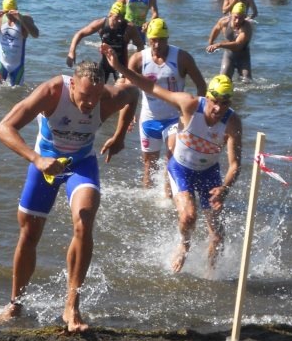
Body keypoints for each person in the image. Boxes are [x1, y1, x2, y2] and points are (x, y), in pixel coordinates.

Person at [0, 60, 138, 332]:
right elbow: (3, 128)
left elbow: (134, 95)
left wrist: (120, 136)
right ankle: (15, 303)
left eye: (96, 97)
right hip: (46, 163)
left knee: (84, 222)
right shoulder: (51, 93)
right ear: (72, 84)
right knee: (29, 233)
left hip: (81, 164)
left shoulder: (107, 97)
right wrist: (36, 159)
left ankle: (72, 306)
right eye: (84, 96)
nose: (89, 104)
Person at [101, 47, 242, 274]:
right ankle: (184, 245)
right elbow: (151, 87)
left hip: (209, 173)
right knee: (188, 216)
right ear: (208, 97)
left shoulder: (232, 122)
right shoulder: (188, 104)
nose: (218, 108)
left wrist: (225, 188)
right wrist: (119, 68)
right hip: (182, 168)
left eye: (224, 103)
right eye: (214, 101)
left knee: (217, 234)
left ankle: (211, 275)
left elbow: (235, 164)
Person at [126, 17, 206, 188]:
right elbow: (128, 90)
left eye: (161, 40)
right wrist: (128, 114)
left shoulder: (182, 58)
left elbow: (201, 85)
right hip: (149, 118)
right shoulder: (138, 59)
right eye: (153, 40)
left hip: (174, 118)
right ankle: (148, 201)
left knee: (172, 157)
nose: (157, 45)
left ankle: (168, 196)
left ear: (167, 39)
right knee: (149, 165)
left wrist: (198, 116)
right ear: (148, 39)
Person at [66, 1, 143, 83]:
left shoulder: (129, 28)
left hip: (121, 65)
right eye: (117, 17)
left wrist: (135, 65)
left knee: (120, 89)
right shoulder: (101, 24)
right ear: (110, 14)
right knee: (96, 87)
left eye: (122, 17)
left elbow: (140, 46)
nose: (120, 20)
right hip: (104, 64)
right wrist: (71, 52)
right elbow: (79, 34)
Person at [0, 0, 39, 86]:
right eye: (7, 12)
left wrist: (21, 19)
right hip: (1, 63)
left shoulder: (26, 18)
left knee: (16, 93)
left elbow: (36, 34)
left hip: (17, 66)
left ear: (16, 9)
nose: (10, 15)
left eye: (12, 12)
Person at [207, 2, 254, 82]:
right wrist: (211, 43)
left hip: (243, 56)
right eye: (235, 17)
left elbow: (238, 45)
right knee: (223, 80)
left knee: (247, 81)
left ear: (245, 17)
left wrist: (219, 44)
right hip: (229, 55)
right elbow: (216, 29)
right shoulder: (224, 22)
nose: (237, 21)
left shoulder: (247, 27)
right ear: (231, 14)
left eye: (241, 18)